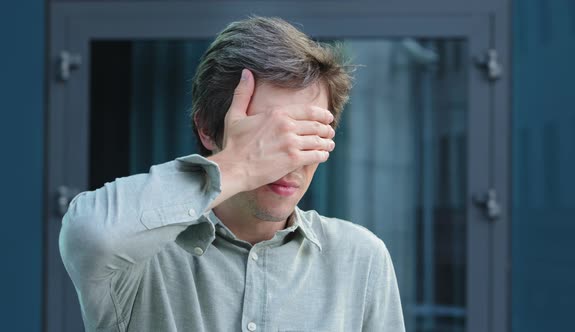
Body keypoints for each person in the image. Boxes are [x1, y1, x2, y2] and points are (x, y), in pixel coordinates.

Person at [60, 16, 405, 332]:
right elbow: (90, 235)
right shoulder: (143, 254)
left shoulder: (361, 257)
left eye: (305, 135)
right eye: (267, 136)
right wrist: (238, 166)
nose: (287, 159)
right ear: (207, 130)